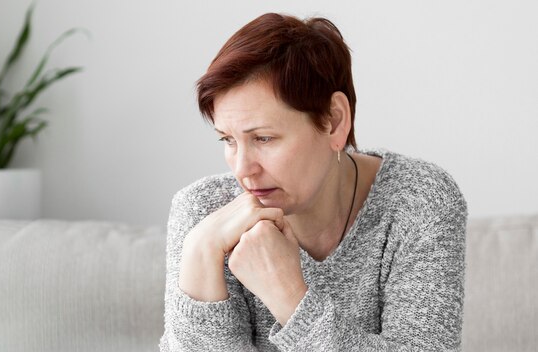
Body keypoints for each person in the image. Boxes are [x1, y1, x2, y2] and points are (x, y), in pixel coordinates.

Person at [160, 12, 467, 352]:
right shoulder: (203, 215)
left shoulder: (420, 200)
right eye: (227, 140)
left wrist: (288, 295)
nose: (243, 170)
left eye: (263, 138)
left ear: (335, 122)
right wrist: (200, 252)